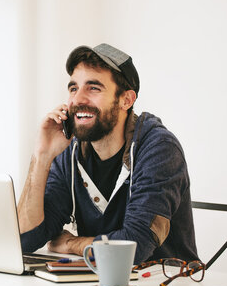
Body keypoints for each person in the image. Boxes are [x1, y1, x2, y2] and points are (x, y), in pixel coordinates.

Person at [17, 43, 198, 264]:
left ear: (126, 100)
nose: (78, 100)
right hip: (97, 281)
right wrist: (42, 156)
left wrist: (71, 244)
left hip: (163, 282)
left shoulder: (159, 149)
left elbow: (134, 247)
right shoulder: (70, 152)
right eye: (73, 88)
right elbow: (24, 239)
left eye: (93, 88)